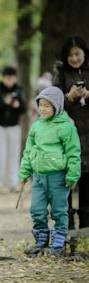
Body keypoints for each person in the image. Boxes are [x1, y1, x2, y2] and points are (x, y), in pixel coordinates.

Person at [18, 86, 81, 255]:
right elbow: (29, 151)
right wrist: (24, 173)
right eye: (41, 105)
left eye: (47, 105)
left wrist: (72, 176)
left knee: (59, 210)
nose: (43, 109)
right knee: (37, 210)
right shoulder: (36, 126)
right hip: (38, 178)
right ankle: (41, 239)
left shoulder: (66, 127)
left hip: (58, 178)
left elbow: (74, 153)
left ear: (57, 106)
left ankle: (59, 241)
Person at [53, 35, 89, 229]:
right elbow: (52, 105)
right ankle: (67, 228)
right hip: (68, 139)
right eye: (70, 55)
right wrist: (70, 96)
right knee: (67, 181)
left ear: (84, 53)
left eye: (78, 54)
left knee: (87, 185)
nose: (74, 58)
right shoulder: (61, 75)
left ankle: (86, 227)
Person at [0, 66, 26, 193]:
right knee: (0, 156)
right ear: (3, 77)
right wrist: (5, 102)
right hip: (0, 126)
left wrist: (17, 105)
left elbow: (23, 109)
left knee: (14, 156)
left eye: (12, 78)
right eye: (7, 78)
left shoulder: (19, 90)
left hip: (14, 126)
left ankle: (13, 183)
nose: (9, 80)